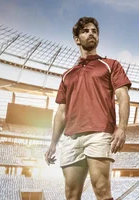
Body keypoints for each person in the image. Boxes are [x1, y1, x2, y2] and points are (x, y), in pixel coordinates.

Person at [44, 16, 131, 200]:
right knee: (71, 194)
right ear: (77, 39)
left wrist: (122, 128)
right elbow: (61, 112)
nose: (91, 33)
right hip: (71, 138)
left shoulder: (110, 65)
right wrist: (53, 143)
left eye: (94, 31)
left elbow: (122, 96)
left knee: (101, 189)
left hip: (99, 133)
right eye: (85, 31)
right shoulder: (67, 75)